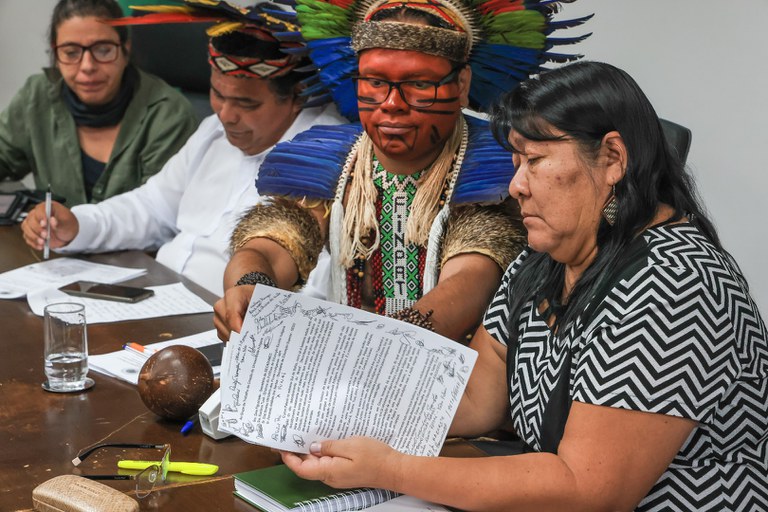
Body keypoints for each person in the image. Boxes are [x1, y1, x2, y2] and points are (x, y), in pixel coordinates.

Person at [281, 61, 768, 511]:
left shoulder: (674, 282)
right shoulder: (548, 258)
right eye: (516, 162)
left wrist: (393, 469)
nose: (517, 185)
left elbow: (588, 489)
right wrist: (332, 417)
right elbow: (476, 397)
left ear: (613, 158)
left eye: (534, 160)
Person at [213, 0, 589, 341]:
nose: (392, 104)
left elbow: (474, 274)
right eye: (375, 83)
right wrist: (250, 285)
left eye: (419, 84)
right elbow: (277, 238)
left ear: (461, 86)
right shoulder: (335, 161)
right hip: (345, 374)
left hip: (463, 391)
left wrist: (389, 343)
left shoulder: (499, 166)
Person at [21, 3, 346, 296]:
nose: (225, 114)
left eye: (247, 103)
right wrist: (77, 226)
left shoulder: (324, 152)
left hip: (223, 325)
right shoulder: (213, 132)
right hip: (158, 297)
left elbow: (314, 284)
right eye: (217, 94)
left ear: (298, 95)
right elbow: (150, 207)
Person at [0, 0, 198, 206]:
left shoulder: (169, 115)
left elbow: (159, 214)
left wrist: (78, 225)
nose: (87, 66)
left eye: (103, 50)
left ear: (125, 50)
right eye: (71, 52)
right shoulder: (36, 96)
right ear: (56, 55)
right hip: (48, 238)